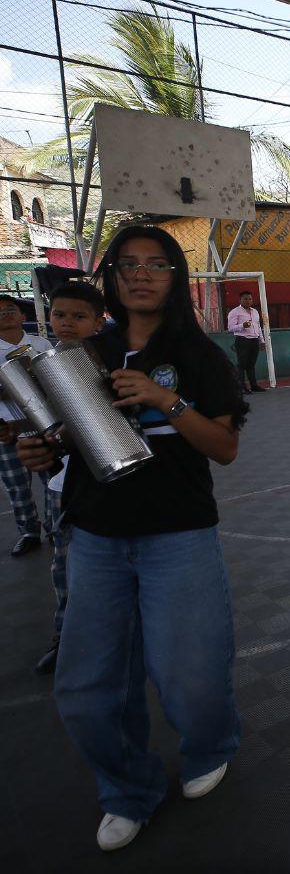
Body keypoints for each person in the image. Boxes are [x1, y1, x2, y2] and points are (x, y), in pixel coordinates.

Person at [16, 225, 247, 852]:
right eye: (127, 265)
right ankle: (126, 788)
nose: (141, 274)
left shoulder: (201, 356)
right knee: (88, 685)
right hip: (95, 536)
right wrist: (41, 450)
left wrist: (164, 400)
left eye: (157, 264)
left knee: (192, 677)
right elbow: (64, 435)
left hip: (179, 534)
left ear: (175, 277)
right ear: (111, 278)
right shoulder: (84, 349)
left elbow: (223, 448)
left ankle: (208, 746)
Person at [32, 281, 107, 676]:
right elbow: (39, 419)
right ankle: (65, 637)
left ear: (99, 321)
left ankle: (110, 639)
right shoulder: (41, 361)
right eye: (60, 314)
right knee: (62, 565)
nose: (67, 323)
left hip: (102, 484)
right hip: (60, 484)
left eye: (79, 316)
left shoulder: (108, 362)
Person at [0, 292, 53, 557]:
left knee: (51, 479)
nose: (5, 314)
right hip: (7, 429)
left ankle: (54, 527)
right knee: (16, 485)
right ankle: (29, 532)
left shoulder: (40, 344)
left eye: (10, 309)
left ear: (23, 316)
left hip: (43, 422)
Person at [226, 290, 266, 394]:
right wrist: (242, 326)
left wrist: (262, 340)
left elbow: (258, 326)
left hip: (254, 341)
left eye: (250, 299)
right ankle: (242, 387)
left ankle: (254, 386)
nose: (248, 301)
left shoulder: (255, 312)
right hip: (242, 341)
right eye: (245, 299)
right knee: (241, 365)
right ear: (240, 300)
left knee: (251, 365)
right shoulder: (235, 312)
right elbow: (230, 328)